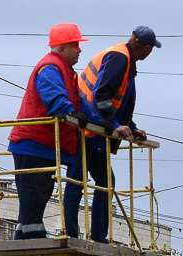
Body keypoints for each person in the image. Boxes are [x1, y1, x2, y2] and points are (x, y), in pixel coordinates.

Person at [64, 26, 160, 244]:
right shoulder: (120, 58)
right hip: (85, 127)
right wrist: (115, 124)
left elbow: (119, 100)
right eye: (152, 48)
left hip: (94, 126)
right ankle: (71, 234)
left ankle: (97, 236)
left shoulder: (124, 57)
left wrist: (130, 126)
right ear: (146, 48)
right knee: (78, 179)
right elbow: (102, 94)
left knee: (104, 181)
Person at [7, 23, 89, 240]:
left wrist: (100, 121)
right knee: (34, 194)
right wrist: (70, 112)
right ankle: (32, 240)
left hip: (41, 145)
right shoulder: (50, 68)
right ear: (61, 49)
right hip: (33, 144)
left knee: (36, 196)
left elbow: (79, 103)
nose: (79, 50)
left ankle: (25, 238)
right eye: (75, 45)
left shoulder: (63, 70)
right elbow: (55, 100)